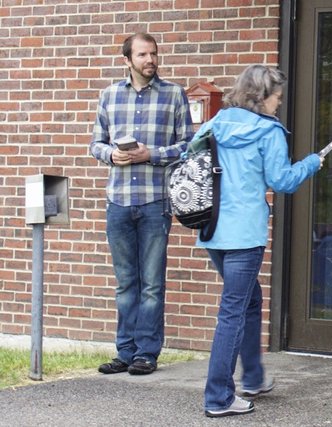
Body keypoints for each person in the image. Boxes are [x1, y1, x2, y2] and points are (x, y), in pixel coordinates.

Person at [191, 65, 322, 418]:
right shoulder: (269, 131)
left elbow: (192, 158)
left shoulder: (215, 123)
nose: (279, 104)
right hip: (245, 234)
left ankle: (253, 377)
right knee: (232, 311)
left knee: (249, 300)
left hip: (213, 231)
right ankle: (218, 397)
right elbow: (282, 182)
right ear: (262, 96)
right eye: (277, 97)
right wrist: (312, 162)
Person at [90, 32, 194, 375]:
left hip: (154, 202)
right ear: (128, 60)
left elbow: (189, 146)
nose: (150, 60)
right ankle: (124, 351)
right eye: (143, 55)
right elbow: (96, 144)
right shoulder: (109, 95)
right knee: (125, 283)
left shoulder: (174, 94)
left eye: (153, 54)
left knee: (151, 282)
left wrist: (152, 154)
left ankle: (146, 353)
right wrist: (111, 155)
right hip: (118, 201)